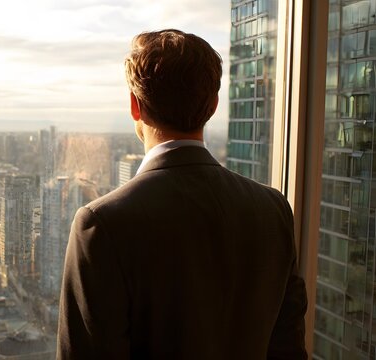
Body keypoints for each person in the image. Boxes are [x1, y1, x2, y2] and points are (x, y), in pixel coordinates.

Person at [56, 29, 307, 359]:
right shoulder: (272, 209)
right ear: (214, 105)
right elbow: (287, 350)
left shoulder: (102, 225)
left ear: (135, 105)